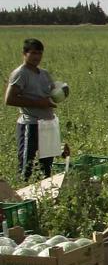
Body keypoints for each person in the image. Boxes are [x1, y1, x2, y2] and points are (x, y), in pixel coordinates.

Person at [6, 38, 59, 180]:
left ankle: (43, 196)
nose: (37, 57)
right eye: (33, 53)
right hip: (30, 124)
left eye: (40, 53)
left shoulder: (44, 73)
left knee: (46, 166)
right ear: (24, 53)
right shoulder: (21, 73)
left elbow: (52, 93)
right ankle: (21, 195)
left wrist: (60, 93)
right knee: (26, 166)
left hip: (47, 123)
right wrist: (38, 103)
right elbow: (9, 99)